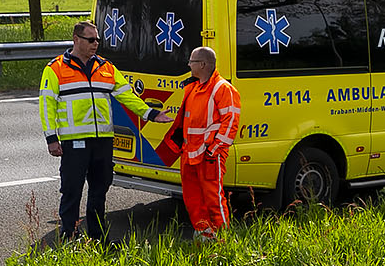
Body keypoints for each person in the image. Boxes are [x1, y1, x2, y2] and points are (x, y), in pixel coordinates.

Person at [39, 21, 162, 241]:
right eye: (91, 40)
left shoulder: (105, 67)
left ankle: (97, 237)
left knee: (99, 190)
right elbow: (47, 105)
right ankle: (69, 236)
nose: (96, 44)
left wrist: (150, 114)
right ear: (76, 39)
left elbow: (127, 96)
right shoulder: (55, 68)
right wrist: (51, 138)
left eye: (97, 40)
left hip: (102, 141)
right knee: (71, 191)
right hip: (74, 142)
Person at [161, 46, 241, 239]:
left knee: (213, 199)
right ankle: (206, 238)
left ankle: (222, 240)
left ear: (203, 64)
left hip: (209, 155)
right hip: (190, 154)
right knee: (193, 199)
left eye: (192, 61)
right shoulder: (194, 87)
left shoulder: (223, 89)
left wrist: (214, 150)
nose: (189, 64)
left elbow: (230, 123)